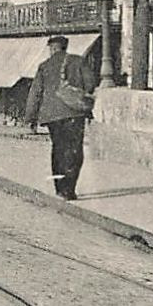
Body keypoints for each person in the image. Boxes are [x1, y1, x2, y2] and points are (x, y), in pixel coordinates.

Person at [24, 35, 98, 200]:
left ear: (52, 48)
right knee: (74, 150)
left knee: (58, 149)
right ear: (65, 47)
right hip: (74, 112)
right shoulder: (78, 61)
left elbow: (35, 93)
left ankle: (59, 188)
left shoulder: (44, 66)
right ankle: (70, 190)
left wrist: (31, 117)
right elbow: (91, 84)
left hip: (52, 116)